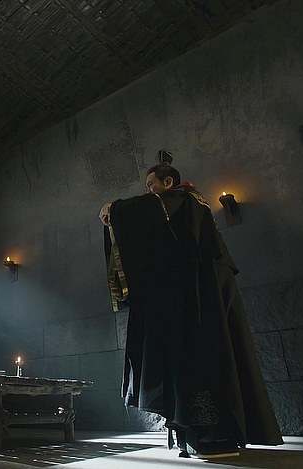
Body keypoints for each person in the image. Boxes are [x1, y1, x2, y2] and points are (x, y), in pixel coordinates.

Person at [98, 161, 282, 459]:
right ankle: (193, 435)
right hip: (196, 292)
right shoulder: (187, 207)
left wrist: (114, 209)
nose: (149, 191)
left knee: (202, 357)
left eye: (151, 185)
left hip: (201, 296)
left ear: (168, 183)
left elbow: (147, 211)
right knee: (192, 356)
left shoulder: (184, 199)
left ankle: (213, 437)